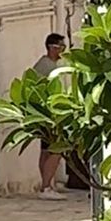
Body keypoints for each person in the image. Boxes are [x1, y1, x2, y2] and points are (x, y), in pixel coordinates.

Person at [30, 31, 69, 196]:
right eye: (61, 46)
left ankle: (47, 184)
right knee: (56, 149)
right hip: (50, 114)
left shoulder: (43, 65)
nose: (63, 50)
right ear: (53, 48)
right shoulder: (48, 67)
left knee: (46, 150)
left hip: (43, 113)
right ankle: (46, 186)